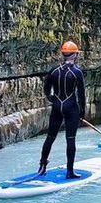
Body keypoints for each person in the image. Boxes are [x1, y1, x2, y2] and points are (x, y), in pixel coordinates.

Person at [38, 40, 86, 178]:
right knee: (70, 139)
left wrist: (51, 98)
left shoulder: (54, 70)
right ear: (75, 55)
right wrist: (82, 113)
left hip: (57, 106)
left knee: (50, 137)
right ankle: (70, 171)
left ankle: (42, 166)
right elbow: (81, 95)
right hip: (71, 107)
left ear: (63, 54)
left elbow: (46, 89)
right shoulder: (77, 72)